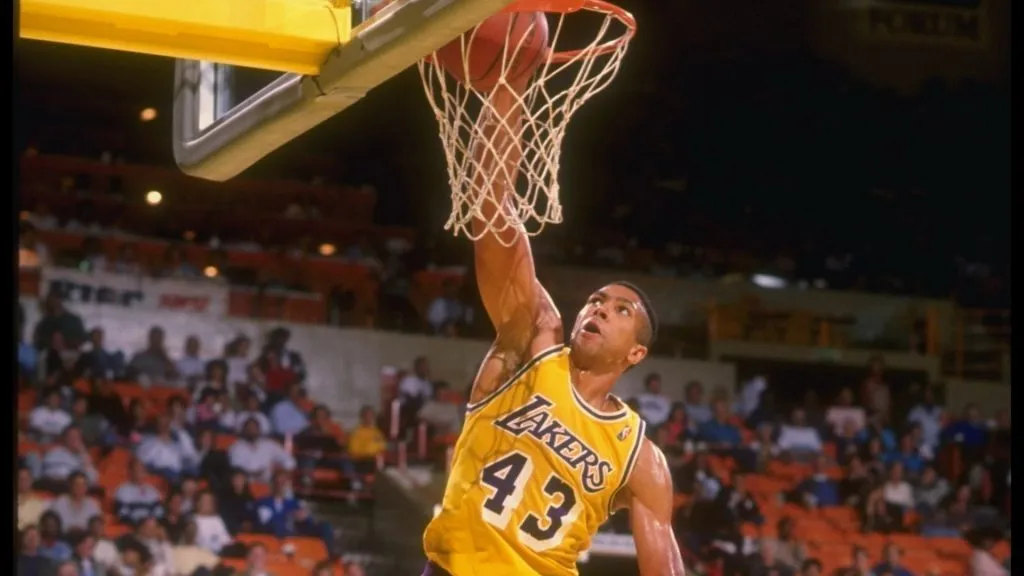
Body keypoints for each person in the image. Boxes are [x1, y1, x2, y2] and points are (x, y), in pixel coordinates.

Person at [421, 84, 684, 576]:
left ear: (636, 354)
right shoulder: (534, 342)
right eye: (597, 300)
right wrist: (508, 87)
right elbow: (493, 210)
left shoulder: (639, 455)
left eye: (621, 310)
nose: (601, 309)